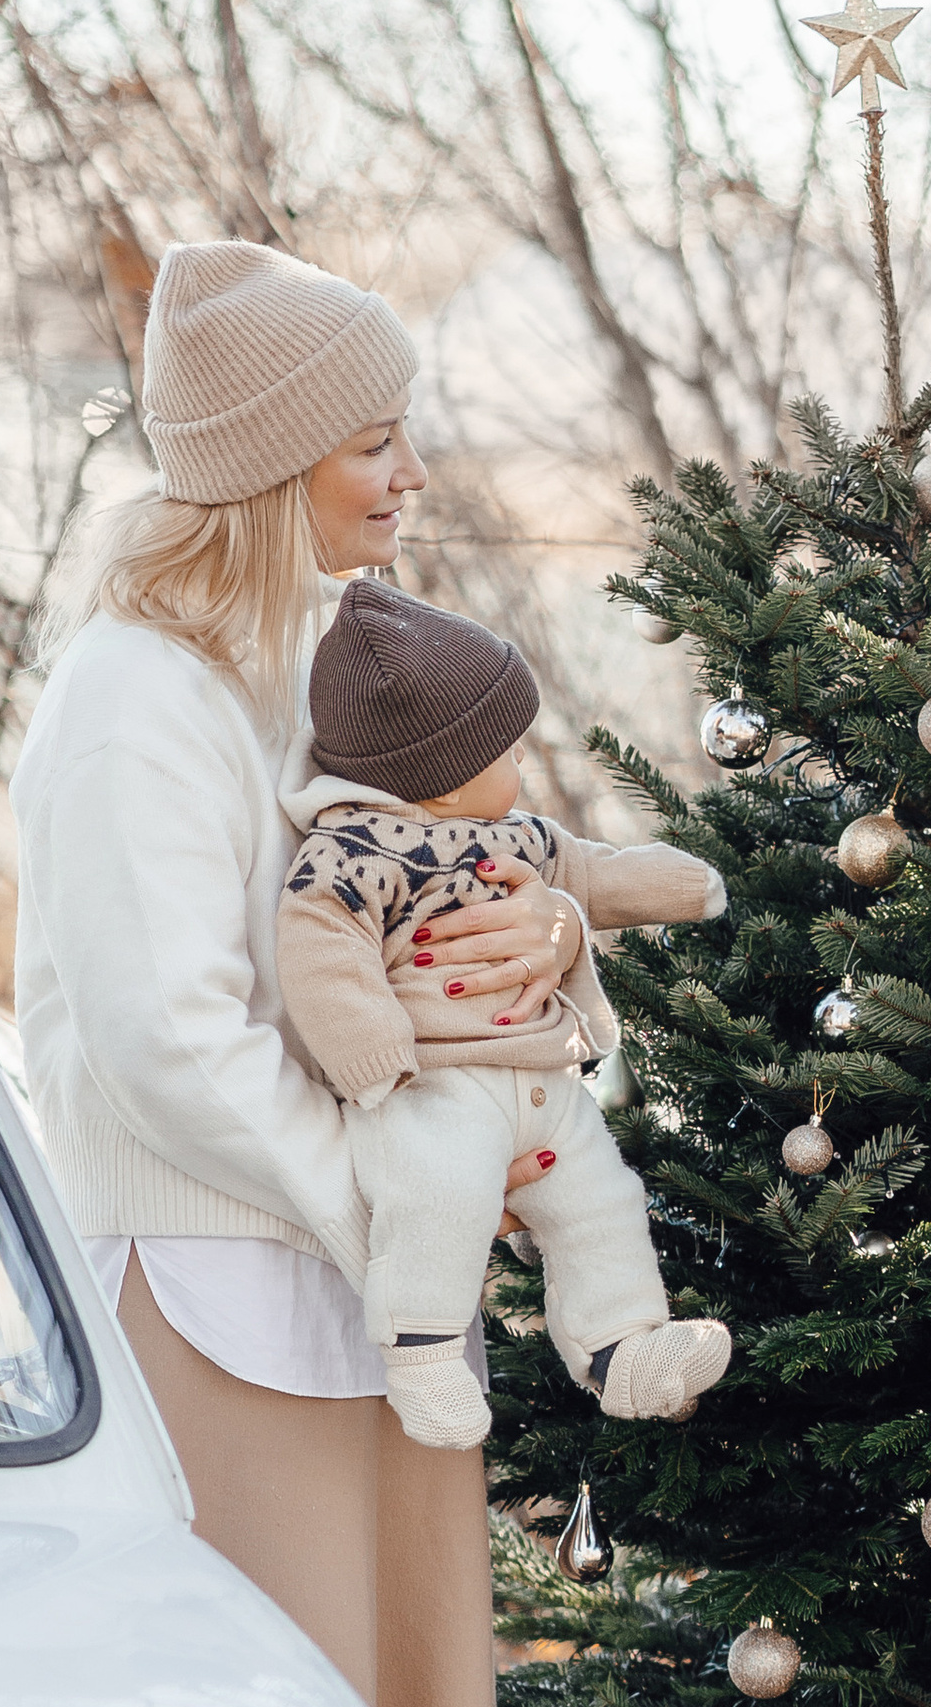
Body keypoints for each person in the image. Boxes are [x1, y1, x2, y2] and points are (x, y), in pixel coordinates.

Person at [11, 237, 580, 1707]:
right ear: (271, 468)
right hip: (227, 1307)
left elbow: (451, 878)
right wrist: (392, 1207)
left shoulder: (323, 668)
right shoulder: (139, 699)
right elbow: (167, 1040)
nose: (411, 473)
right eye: (372, 440)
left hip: (368, 1291)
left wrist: (550, 936)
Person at [275, 575, 732, 1449]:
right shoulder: (357, 852)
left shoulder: (518, 837)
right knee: (436, 1201)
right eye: (508, 753)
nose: (523, 768)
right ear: (442, 774)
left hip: (542, 1085)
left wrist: (681, 884)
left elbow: (590, 873)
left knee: (602, 1199)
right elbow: (321, 946)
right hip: (432, 1087)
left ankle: (621, 1348)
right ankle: (423, 1352)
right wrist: (371, 1053)